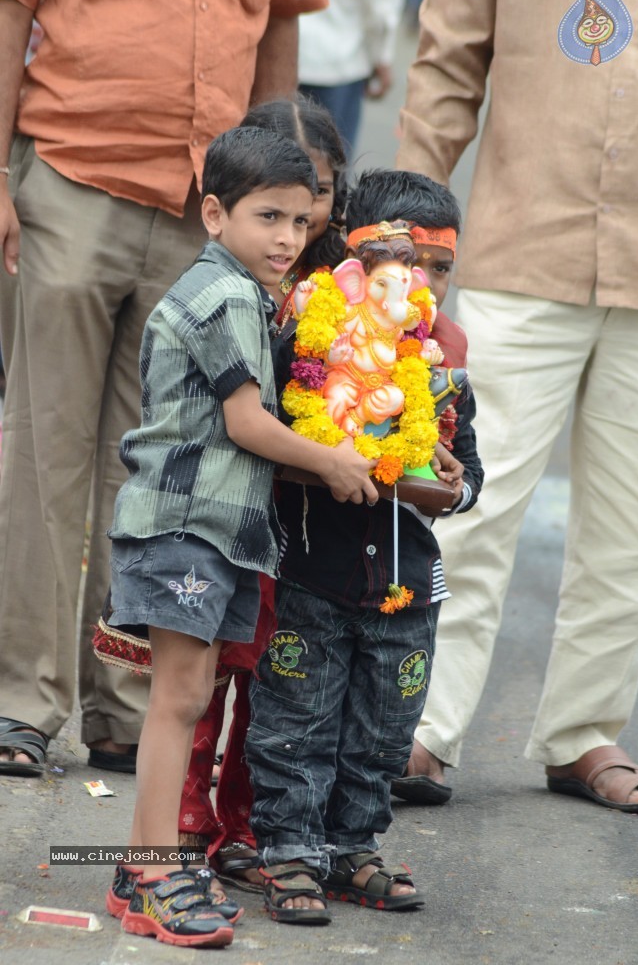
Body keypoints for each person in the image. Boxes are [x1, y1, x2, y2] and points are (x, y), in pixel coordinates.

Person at [0, 0, 328, 778]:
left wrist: (280, 208)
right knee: (47, 447)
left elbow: (279, 33)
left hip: (206, 215)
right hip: (76, 176)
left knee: (171, 465)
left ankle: (125, 705)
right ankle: (22, 703)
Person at [395, 0, 638, 813]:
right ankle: (420, 727)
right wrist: (401, 227)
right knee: (465, 503)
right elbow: (447, 62)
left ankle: (582, 735)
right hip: (523, 251)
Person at [103, 125, 378, 947]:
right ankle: (153, 872)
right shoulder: (223, 295)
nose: (289, 239)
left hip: (216, 533)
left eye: (301, 221)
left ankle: (140, 870)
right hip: (186, 525)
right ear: (216, 213)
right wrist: (331, 462)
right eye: (269, 218)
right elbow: (247, 422)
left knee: (184, 701)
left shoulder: (240, 289)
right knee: (180, 702)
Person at [244, 217, 481, 925]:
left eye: (436, 270)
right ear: (351, 269)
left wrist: (437, 470)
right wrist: (332, 461)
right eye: (401, 269)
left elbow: (469, 485)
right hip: (314, 574)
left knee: (382, 731)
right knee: (297, 721)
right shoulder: (306, 344)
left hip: (406, 593)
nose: (417, 285)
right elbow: (269, 446)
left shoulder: (437, 372)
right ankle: (288, 852)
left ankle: (354, 850)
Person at [176, 94, 349, 892]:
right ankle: (181, 830)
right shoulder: (229, 286)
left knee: (273, 678)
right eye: (281, 202)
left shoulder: (343, 283)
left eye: (318, 193)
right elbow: (241, 416)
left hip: (300, 523)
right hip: (225, 509)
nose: (300, 219)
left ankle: (241, 826)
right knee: (199, 678)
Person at [298, 0, 403, 157]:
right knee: (331, 175)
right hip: (339, 50)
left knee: (272, 174)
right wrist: (381, 53)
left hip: (281, 44)